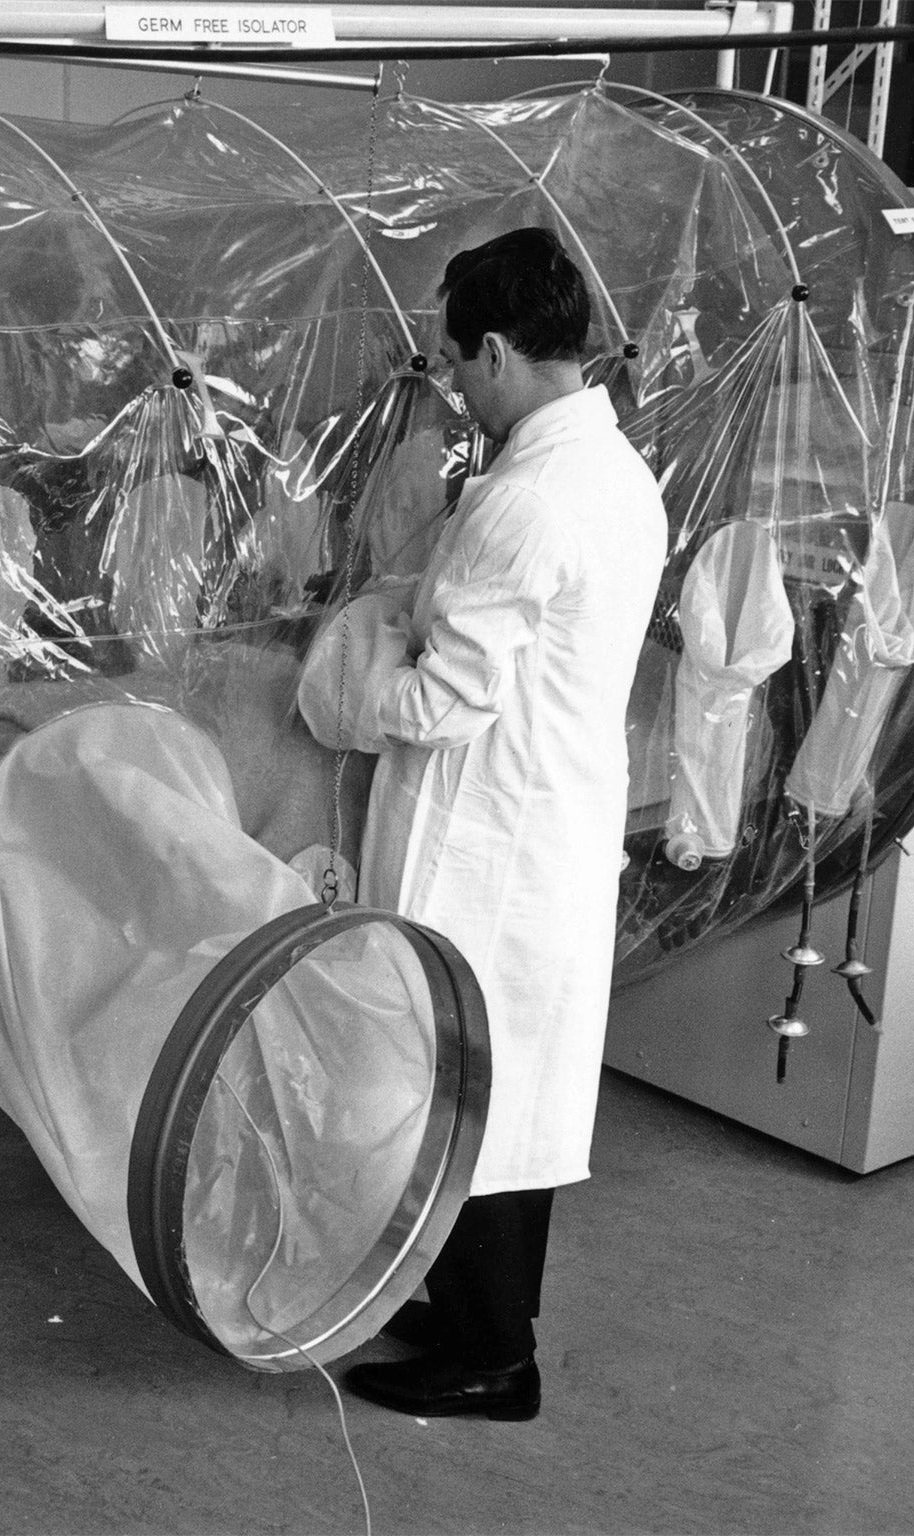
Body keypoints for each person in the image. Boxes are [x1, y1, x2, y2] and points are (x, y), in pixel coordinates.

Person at [336, 227, 668, 1420]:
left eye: (452, 364)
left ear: (490, 350)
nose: (453, 390)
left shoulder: (523, 496)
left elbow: (439, 700)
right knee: (503, 1085)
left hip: (488, 838)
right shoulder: (616, 472)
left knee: (473, 1084)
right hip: (547, 820)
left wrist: (346, 679)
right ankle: (470, 1313)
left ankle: (492, 1361)